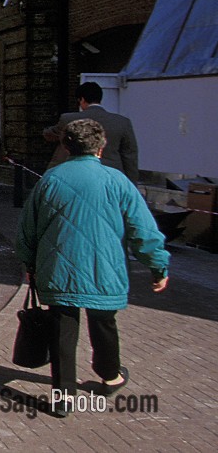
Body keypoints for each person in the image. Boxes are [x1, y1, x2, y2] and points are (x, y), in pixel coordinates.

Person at [17, 118, 170, 417]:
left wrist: (30, 265)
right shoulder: (117, 181)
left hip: (59, 268)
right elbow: (142, 229)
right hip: (104, 268)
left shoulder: (49, 180)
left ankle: (63, 398)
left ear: (66, 146)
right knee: (104, 323)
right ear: (101, 147)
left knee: (62, 330)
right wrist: (158, 267)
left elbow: (27, 230)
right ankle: (110, 374)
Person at [43, 82, 140, 182]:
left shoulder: (69, 119)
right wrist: (132, 182)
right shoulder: (122, 122)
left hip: (76, 175)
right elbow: (129, 155)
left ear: (82, 99)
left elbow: (51, 134)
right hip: (112, 176)